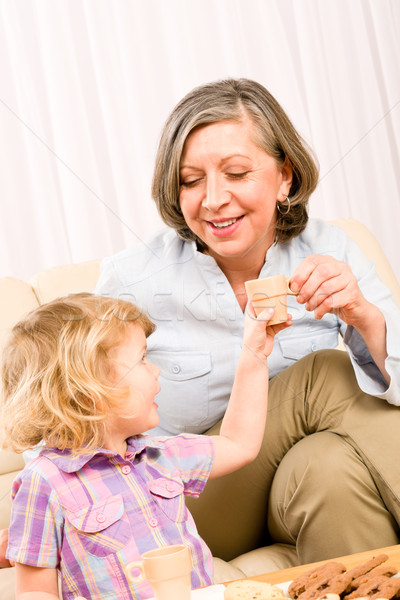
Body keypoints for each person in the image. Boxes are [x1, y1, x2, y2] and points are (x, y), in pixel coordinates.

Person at [93, 78, 400, 567]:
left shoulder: (333, 248)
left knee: (328, 465)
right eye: (191, 181)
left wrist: (364, 317)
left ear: (286, 177)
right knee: (324, 373)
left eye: (236, 173)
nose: (212, 199)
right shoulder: (132, 277)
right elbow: (67, 401)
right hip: (184, 502)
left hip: (284, 488)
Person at [1, 292, 288, 600]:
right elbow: (34, 592)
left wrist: (255, 351)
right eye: (141, 359)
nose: (155, 370)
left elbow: (238, 443)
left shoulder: (160, 456)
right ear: (90, 390)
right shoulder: (42, 483)